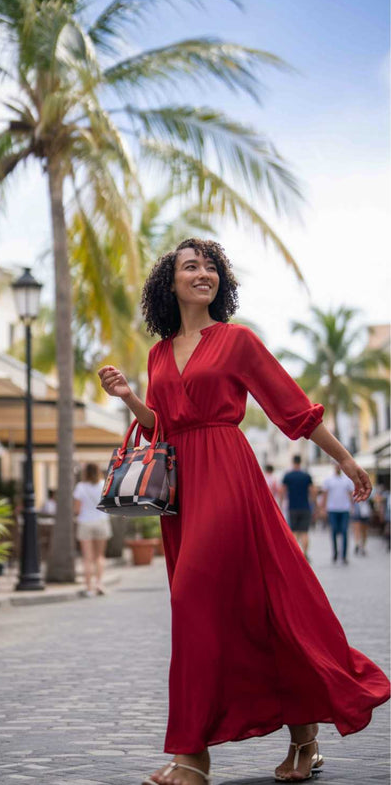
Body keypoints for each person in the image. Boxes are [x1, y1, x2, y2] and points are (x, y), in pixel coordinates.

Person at [98, 238, 389, 785]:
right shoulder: (159, 353)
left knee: (191, 597)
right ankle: (303, 738)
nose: (202, 273)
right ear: (170, 283)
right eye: (190, 266)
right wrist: (130, 398)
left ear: (220, 281)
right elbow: (162, 423)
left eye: (210, 267)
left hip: (229, 476)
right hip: (182, 490)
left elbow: (293, 408)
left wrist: (346, 459)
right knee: (254, 609)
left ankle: (192, 756)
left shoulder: (237, 341)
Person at [73, 463, 112, 597]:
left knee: (87, 558)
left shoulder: (80, 487)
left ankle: (89, 588)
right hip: (101, 521)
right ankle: (99, 584)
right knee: (99, 556)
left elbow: (77, 509)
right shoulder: (104, 485)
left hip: (85, 523)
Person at [281, 456, 315, 562]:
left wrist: (281, 503)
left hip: (292, 507)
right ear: (300, 462)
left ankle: (295, 554)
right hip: (305, 507)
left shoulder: (288, 476)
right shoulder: (306, 476)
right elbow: (312, 491)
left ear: (293, 462)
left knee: (294, 532)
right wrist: (314, 504)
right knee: (305, 532)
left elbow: (282, 490)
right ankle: (305, 554)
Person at [321, 464, 354, 564]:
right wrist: (323, 508)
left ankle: (344, 555)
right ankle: (335, 553)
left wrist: (352, 506)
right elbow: (325, 495)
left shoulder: (347, 480)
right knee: (334, 531)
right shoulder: (328, 480)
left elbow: (350, 494)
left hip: (344, 509)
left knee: (344, 531)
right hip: (332, 509)